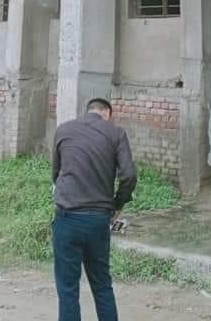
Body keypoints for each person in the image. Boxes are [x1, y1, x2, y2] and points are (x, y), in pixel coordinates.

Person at [52, 97, 137, 321]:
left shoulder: (63, 130)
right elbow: (129, 175)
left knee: (68, 289)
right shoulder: (116, 133)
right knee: (101, 285)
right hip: (99, 220)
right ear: (107, 113)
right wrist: (118, 204)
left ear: (88, 111)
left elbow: (56, 174)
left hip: (67, 218)